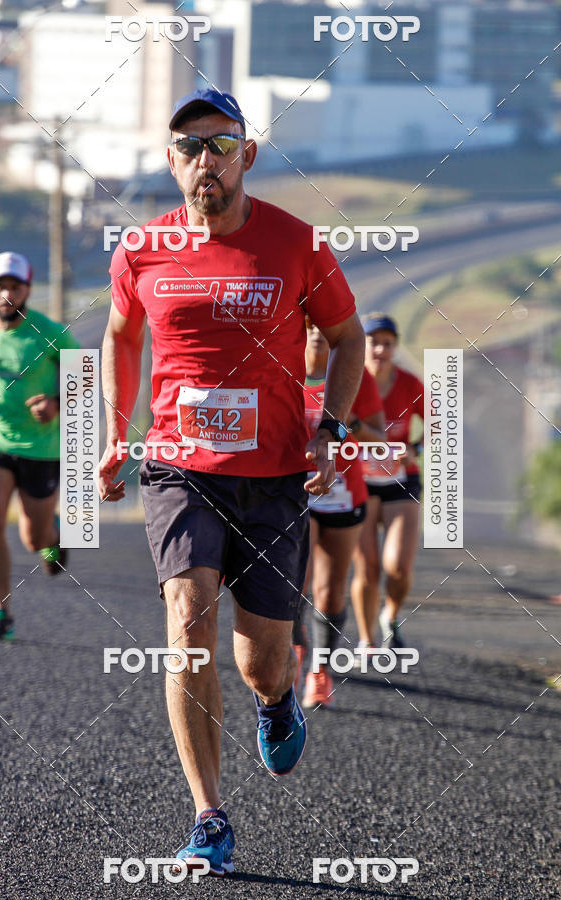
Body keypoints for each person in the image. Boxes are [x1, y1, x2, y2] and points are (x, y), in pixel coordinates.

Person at [97, 88, 365, 877]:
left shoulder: (296, 242)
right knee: (186, 625)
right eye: (187, 146)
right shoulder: (140, 248)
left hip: (276, 472)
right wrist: (118, 432)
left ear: (248, 155)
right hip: (179, 465)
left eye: (219, 144)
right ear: (171, 161)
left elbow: (348, 339)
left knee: (261, 661)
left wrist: (333, 429)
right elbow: (120, 334)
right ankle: (208, 814)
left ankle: (277, 701)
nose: (202, 160)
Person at [0, 251, 79, 640]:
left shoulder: (51, 332)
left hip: (41, 448)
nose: (7, 293)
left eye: (15, 285)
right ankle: (1, 613)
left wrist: (57, 403)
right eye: (0, 285)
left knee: (33, 537)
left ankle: (53, 537)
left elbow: (88, 372)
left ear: (28, 288)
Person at [298, 318, 385, 709]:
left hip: (345, 495)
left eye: (323, 324)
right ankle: (293, 650)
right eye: (308, 324)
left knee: (330, 592)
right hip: (294, 495)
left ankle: (320, 670)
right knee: (293, 582)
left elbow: (379, 436)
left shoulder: (353, 375)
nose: (316, 330)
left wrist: (348, 427)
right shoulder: (282, 368)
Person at [350, 313, 424, 652]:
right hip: (359, 481)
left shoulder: (409, 384)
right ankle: (367, 641)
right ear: (361, 345)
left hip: (400, 481)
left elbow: (442, 425)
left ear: (396, 347)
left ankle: (390, 616)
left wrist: (416, 448)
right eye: (373, 342)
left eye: (387, 343)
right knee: (367, 568)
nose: (380, 349)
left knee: (397, 567)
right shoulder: (349, 381)